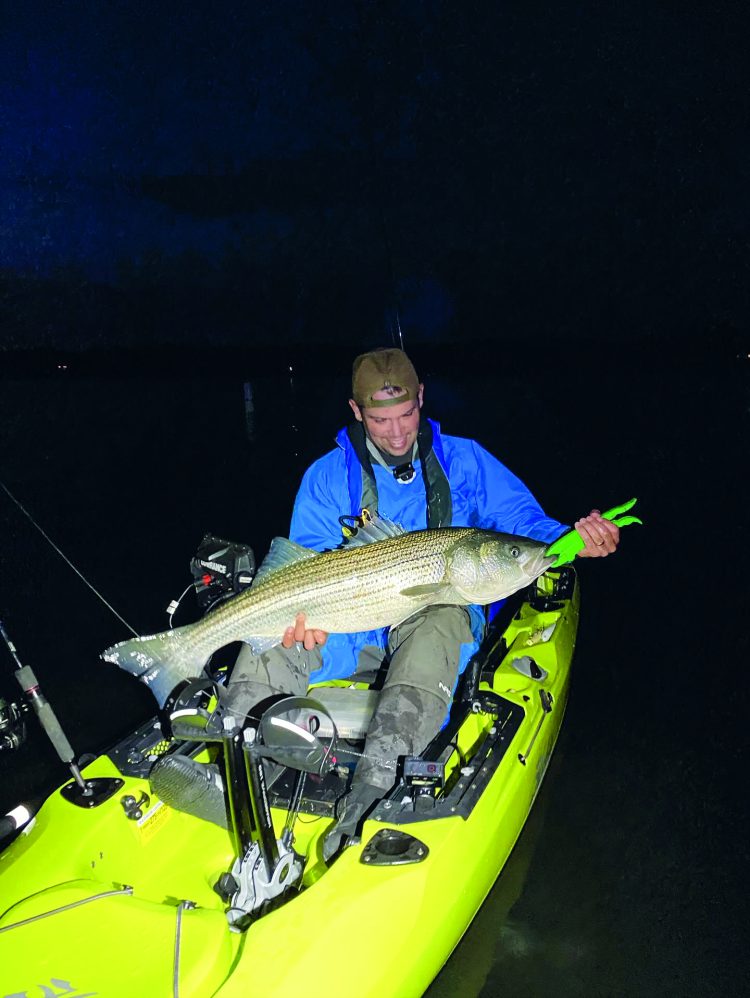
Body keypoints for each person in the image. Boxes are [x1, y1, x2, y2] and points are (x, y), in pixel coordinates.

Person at [153, 348, 619, 857]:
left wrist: (572, 539)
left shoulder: (467, 461)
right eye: (379, 420)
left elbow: (525, 527)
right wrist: (296, 625)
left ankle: (370, 796)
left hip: (431, 621)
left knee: (439, 621)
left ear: (422, 400)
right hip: (342, 624)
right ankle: (236, 775)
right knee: (270, 649)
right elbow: (298, 565)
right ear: (356, 413)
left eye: (406, 416)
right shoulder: (326, 478)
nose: (397, 434)